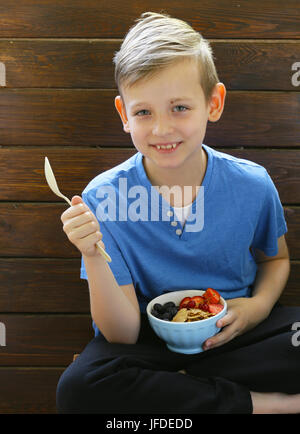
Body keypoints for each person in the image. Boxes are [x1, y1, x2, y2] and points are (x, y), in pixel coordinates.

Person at [56, 12, 300, 414]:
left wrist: (255, 309)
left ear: (213, 103)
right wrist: (91, 253)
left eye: (180, 108)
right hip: (152, 347)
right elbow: (121, 335)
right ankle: (260, 405)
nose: (162, 130)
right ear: (124, 115)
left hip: (234, 335)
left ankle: (175, 395)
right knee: (80, 388)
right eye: (144, 113)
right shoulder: (103, 197)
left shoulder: (251, 184)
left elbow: (277, 258)